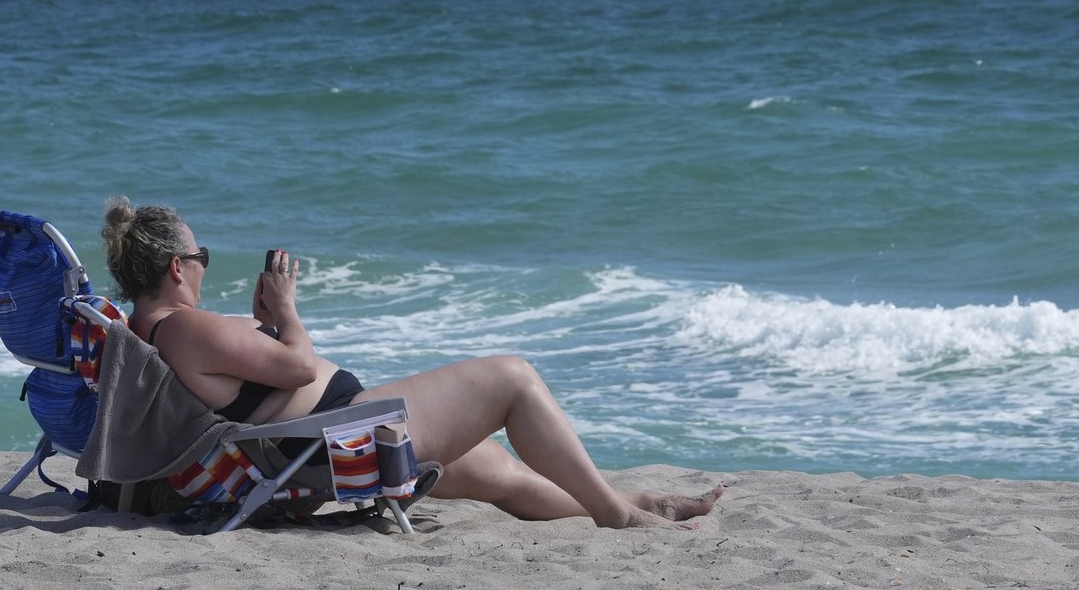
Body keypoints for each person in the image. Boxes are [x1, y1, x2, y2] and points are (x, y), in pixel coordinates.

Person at [101, 196, 723, 529]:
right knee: (514, 379)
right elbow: (295, 368)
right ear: (176, 267)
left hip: (311, 440)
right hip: (331, 443)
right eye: (200, 252)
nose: (206, 263)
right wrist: (287, 312)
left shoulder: (154, 332)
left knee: (495, 473)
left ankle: (640, 501)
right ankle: (616, 516)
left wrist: (257, 328)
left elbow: (248, 383)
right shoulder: (182, 326)